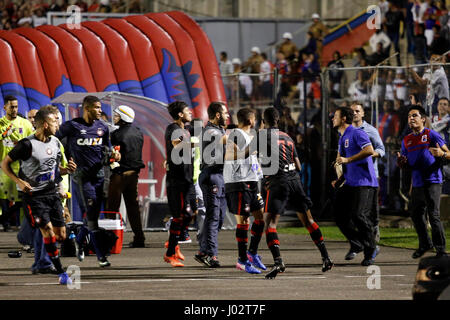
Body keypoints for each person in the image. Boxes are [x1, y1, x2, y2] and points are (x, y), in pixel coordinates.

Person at [1, 105, 77, 285]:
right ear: (44, 124)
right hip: (34, 196)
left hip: (52, 194)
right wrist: (19, 181)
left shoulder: (56, 143)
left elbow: (54, 167)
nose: (57, 124)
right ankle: (59, 270)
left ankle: (38, 256)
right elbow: (5, 164)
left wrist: (66, 169)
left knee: (61, 235)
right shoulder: (26, 144)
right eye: (54, 121)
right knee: (48, 231)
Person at [260, 107, 333, 279]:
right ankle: (326, 257)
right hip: (295, 181)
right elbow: (299, 166)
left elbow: (246, 154)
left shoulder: (262, 136)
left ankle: (278, 261)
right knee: (308, 220)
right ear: (278, 121)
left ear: (263, 121)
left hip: (278, 183)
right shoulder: (287, 136)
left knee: (269, 224)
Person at [56, 95, 120, 267]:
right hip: (82, 178)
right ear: (87, 108)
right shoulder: (72, 126)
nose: (100, 111)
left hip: (99, 177)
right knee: (93, 219)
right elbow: (54, 141)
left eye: (100, 108)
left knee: (92, 216)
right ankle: (101, 256)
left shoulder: (102, 127)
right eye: (97, 107)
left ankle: (78, 239)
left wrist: (114, 154)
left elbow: (108, 147)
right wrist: (65, 159)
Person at [397, 105, 448, 258]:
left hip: (433, 181)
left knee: (433, 215)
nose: (411, 119)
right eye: (409, 116)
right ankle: (425, 243)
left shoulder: (431, 134)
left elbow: (449, 153)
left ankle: (440, 250)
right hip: (417, 183)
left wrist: (441, 153)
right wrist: (402, 162)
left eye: (414, 116)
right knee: (416, 214)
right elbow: (406, 164)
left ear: (423, 119)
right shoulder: (407, 140)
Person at [332, 107, 379, 266]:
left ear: (344, 118)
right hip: (350, 182)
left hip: (364, 182)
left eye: (336, 116)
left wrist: (348, 160)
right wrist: (340, 179)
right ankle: (358, 243)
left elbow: (369, 150)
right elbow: (343, 161)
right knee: (340, 216)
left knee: (359, 215)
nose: (333, 118)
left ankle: (371, 249)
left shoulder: (357, 132)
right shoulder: (342, 137)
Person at [224, 108, 266, 274]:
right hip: (239, 182)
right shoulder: (235, 134)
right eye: (254, 118)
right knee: (243, 222)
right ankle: (242, 260)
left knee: (260, 218)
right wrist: (249, 151)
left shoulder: (250, 135)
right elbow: (227, 156)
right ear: (250, 120)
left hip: (252, 181)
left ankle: (252, 253)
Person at [106, 105, 146, 248]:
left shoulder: (117, 135)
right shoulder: (138, 132)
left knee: (112, 206)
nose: (114, 118)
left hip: (120, 174)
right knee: (132, 206)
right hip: (134, 174)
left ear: (123, 117)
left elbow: (115, 156)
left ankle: (110, 238)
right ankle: (139, 237)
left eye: (116, 115)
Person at [195, 102, 229, 268]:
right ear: (217, 115)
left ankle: (203, 250)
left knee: (219, 216)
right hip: (211, 175)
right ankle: (211, 255)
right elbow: (226, 140)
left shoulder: (219, 129)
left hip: (220, 175)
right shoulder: (210, 131)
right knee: (214, 216)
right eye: (225, 113)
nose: (227, 115)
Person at [163, 101, 196, 267]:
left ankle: (173, 243)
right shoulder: (173, 129)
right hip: (177, 181)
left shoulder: (186, 130)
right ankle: (170, 253)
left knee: (190, 214)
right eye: (187, 110)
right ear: (180, 114)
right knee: (181, 215)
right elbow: (176, 144)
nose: (190, 112)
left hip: (187, 180)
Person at [351, 102, 386, 244]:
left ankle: (374, 228)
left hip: (370, 173)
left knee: (371, 205)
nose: (354, 113)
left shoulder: (370, 130)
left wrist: (371, 155)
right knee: (357, 206)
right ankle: (363, 234)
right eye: (352, 111)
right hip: (354, 175)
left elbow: (381, 149)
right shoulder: (348, 131)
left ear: (363, 113)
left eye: (357, 111)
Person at [0, 95, 34, 231]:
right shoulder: (1, 124)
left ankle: (23, 230)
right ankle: (5, 223)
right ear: (5, 107)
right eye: (11, 107)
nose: (14, 109)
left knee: (22, 201)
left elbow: (32, 144)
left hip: (21, 169)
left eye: (16, 107)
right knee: (3, 198)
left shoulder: (25, 124)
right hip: (3, 168)